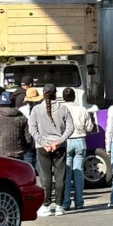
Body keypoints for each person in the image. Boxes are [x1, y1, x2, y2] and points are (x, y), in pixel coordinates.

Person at [28, 84, 75, 216]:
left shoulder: (36, 109)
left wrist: (43, 143)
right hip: (60, 146)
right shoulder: (63, 108)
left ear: (43, 94)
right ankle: (59, 206)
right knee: (60, 177)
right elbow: (70, 128)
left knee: (45, 177)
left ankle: (46, 205)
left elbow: (32, 129)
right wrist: (59, 141)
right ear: (56, 94)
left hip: (43, 147)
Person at [60, 87, 96, 210]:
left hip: (66, 141)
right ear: (75, 97)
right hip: (80, 140)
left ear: (63, 98)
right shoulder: (82, 110)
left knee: (66, 173)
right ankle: (79, 202)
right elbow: (89, 128)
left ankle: (65, 202)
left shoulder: (61, 109)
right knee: (78, 172)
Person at [19, 87, 43, 172]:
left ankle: (28, 176)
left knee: (28, 158)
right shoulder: (42, 109)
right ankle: (41, 180)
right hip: (40, 136)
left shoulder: (21, 110)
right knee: (39, 158)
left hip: (26, 136)